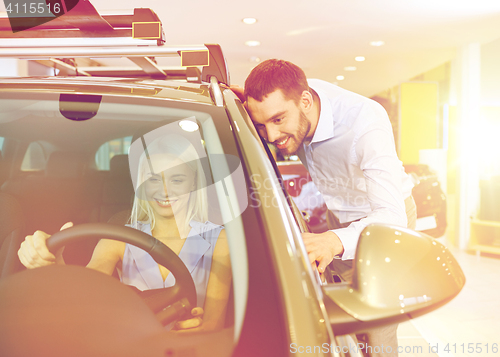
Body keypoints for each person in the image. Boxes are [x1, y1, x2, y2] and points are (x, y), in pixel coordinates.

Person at [236, 59, 416, 357]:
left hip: (385, 220)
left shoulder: (365, 123)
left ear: (305, 101)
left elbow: (392, 217)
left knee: (376, 326)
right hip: (340, 216)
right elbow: (273, 107)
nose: (270, 136)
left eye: (278, 120)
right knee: (346, 317)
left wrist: (334, 240)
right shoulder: (294, 98)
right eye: (261, 124)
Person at [18, 133, 232, 332]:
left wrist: (191, 332)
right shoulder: (117, 239)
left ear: (193, 182)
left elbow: (214, 324)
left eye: (177, 180)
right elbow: (85, 294)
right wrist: (55, 265)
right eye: (154, 179)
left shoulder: (219, 239)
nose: (164, 191)